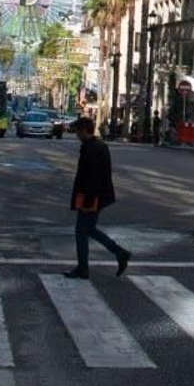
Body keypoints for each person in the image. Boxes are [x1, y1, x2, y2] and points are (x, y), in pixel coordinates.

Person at [63, 116, 131, 279]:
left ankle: (83, 267)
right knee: (89, 230)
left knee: (81, 231)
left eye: (77, 131)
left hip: (90, 196)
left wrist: (88, 198)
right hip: (94, 195)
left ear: (84, 131)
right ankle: (120, 253)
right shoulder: (95, 145)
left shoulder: (91, 148)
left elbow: (94, 176)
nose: (76, 135)